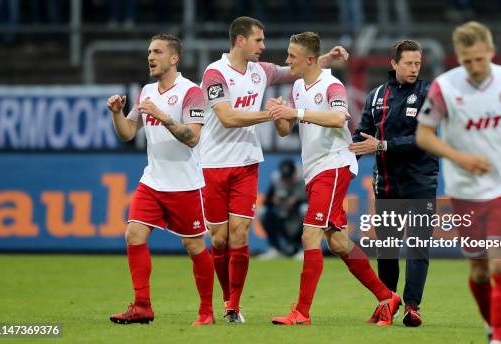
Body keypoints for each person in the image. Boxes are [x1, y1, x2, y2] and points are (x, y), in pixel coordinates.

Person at [200, 16, 348, 323]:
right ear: (240, 40)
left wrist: (326, 59)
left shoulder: (260, 71)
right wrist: (270, 114)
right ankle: (227, 296)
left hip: (246, 163)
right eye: (259, 40)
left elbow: (296, 68)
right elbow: (227, 118)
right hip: (213, 164)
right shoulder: (214, 74)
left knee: (239, 234)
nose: (264, 47)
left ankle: (232, 307)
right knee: (219, 240)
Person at [416, 21, 501, 344]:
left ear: (491, 52)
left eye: (478, 59)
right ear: (457, 57)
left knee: (500, 264)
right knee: (479, 270)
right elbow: (424, 135)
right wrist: (460, 158)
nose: (473, 67)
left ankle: (498, 339)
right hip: (463, 188)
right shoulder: (444, 88)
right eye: (466, 60)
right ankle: (491, 326)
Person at [268, 31, 401, 326]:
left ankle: (301, 311)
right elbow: (284, 129)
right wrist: (278, 113)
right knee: (338, 242)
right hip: (314, 169)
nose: (287, 61)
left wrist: (296, 111)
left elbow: (340, 118)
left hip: (335, 164)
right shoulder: (298, 86)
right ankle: (386, 297)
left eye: (292, 56)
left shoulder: (331, 85)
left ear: (310, 59)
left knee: (310, 234)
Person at [107, 34, 215, 326]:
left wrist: (163, 116)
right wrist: (117, 115)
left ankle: (206, 311)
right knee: (134, 235)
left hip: (185, 185)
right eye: (149, 52)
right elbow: (129, 132)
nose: (150, 57)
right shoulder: (146, 92)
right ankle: (142, 306)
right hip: (153, 182)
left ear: (174, 58)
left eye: (157, 52)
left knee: (193, 247)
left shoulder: (192, 92)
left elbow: (192, 138)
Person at [349, 39, 438, 327]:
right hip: (386, 184)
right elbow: (362, 137)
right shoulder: (376, 96)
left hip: (420, 182)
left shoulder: (427, 94)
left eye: (418, 63)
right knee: (387, 249)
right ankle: (388, 303)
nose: (414, 69)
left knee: (418, 246)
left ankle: (412, 306)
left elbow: (425, 139)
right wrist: (340, 159)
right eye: (409, 63)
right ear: (394, 64)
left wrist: (383, 146)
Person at [258, 159, 306, 259]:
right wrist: (273, 200)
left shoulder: (304, 177)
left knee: (305, 209)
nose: (287, 180)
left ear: (294, 173)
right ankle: (274, 248)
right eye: (285, 177)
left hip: (298, 214)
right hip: (283, 212)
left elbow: (313, 200)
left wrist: (297, 200)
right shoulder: (276, 178)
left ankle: (304, 249)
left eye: (289, 177)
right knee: (262, 211)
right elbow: (266, 202)